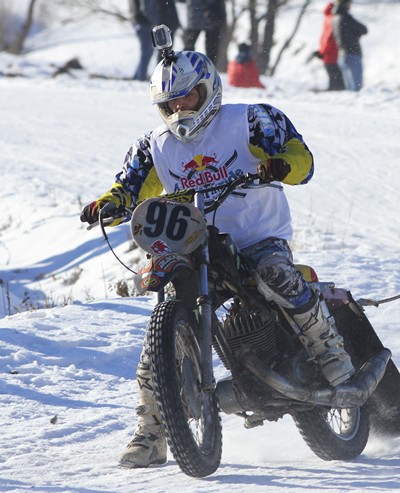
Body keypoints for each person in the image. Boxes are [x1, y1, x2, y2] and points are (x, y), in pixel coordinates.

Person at [79, 48, 355, 468]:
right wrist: (107, 204)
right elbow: (128, 188)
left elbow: (303, 160)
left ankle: (329, 350)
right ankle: (153, 432)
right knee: (160, 333)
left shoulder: (251, 119)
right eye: (169, 102)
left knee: (274, 273)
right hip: (191, 243)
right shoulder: (154, 145)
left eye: (186, 97)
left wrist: (281, 165)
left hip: (257, 238)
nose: (178, 107)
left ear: (207, 90)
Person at [130, 0, 180, 81]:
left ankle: (139, 76)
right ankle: (142, 77)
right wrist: (156, 23)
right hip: (144, 22)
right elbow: (146, 8)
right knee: (148, 51)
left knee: (149, 52)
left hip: (144, 20)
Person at [332, 0, 367, 91]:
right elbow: (364, 29)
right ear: (345, 4)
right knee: (356, 88)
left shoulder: (335, 18)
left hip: (342, 55)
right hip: (352, 54)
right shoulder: (346, 17)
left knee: (349, 88)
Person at [182, 0, 226, 69]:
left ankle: (184, 68)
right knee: (211, 50)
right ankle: (210, 70)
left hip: (199, 14)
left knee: (189, 48)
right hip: (211, 13)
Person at [318, 2, 344, 91]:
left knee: (332, 77)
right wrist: (323, 52)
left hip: (327, 53)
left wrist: (322, 51)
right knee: (336, 79)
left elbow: (325, 38)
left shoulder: (327, 18)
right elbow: (330, 39)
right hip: (332, 54)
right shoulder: (332, 19)